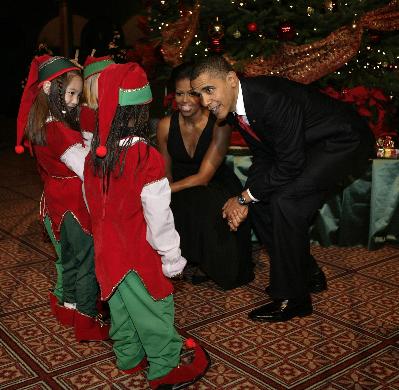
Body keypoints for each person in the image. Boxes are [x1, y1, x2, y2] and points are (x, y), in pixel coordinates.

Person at [190, 56, 374, 322]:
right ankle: (307, 274)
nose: (205, 102)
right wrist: (247, 197)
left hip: (344, 141)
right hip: (309, 146)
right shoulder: (235, 109)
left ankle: (294, 298)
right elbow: (266, 156)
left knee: (287, 202)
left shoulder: (269, 98)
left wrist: (242, 198)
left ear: (231, 80)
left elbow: (289, 164)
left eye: (209, 90)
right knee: (261, 202)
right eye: (199, 94)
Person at [84, 62, 210, 389]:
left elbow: (92, 204)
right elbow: (158, 214)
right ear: (141, 111)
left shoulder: (95, 156)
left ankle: (129, 357)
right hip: (138, 253)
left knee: (121, 306)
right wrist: (171, 255)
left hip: (106, 252)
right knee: (155, 308)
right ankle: (165, 368)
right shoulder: (145, 156)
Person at [16, 55, 109, 341]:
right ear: (47, 88)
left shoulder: (40, 122)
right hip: (73, 203)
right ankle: (85, 319)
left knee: (68, 258)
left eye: (78, 95)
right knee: (85, 262)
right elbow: (87, 169)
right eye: (70, 93)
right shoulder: (58, 129)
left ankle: (68, 308)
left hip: (54, 200)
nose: (73, 100)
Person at [157, 62, 254, 290]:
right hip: (179, 183)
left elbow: (204, 177)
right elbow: (165, 171)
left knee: (209, 204)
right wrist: (162, 192)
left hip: (213, 181)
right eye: (179, 94)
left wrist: (165, 190)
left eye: (192, 93)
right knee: (165, 205)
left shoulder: (220, 123)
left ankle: (216, 265)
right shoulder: (164, 126)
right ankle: (181, 257)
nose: (185, 100)